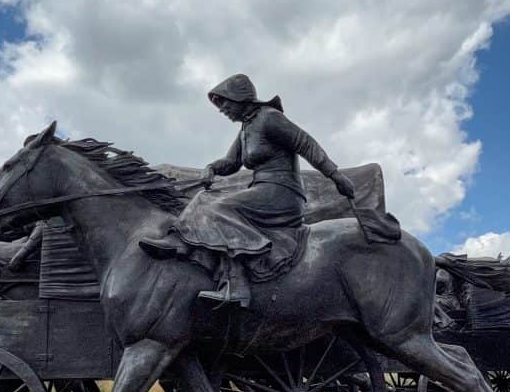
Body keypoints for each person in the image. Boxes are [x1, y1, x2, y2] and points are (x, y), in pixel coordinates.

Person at [139, 74, 355, 308]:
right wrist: (211, 168)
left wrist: (335, 175)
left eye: (225, 104)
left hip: (282, 194)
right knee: (203, 198)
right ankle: (181, 242)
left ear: (240, 98)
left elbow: (306, 144)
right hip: (262, 191)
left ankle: (237, 286)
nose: (223, 111)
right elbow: (231, 162)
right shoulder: (246, 128)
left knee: (218, 209)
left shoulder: (270, 118)